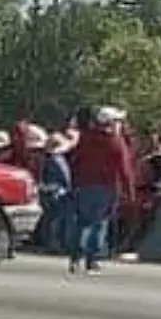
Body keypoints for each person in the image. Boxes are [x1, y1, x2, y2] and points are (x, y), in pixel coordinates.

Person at [66, 107, 135, 274]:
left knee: (82, 222)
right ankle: (92, 259)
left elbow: (75, 160)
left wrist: (73, 183)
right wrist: (129, 191)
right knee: (99, 223)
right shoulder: (116, 142)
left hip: (83, 184)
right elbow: (124, 169)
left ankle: (75, 257)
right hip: (106, 186)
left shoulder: (86, 138)